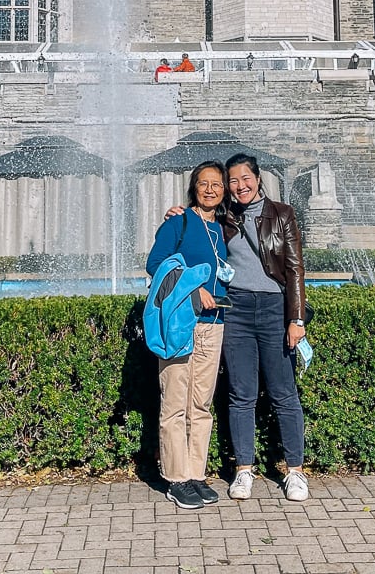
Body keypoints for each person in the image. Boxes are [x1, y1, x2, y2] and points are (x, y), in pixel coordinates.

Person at [165, 154, 310, 502]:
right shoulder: (226, 216)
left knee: (284, 393)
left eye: (246, 178)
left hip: (275, 307)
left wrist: (297, 319)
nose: (239, 185)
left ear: (259, 179)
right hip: (238, 309)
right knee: (241, 394)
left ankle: (295, 471)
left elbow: (295, 270)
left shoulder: (282, 214)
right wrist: (177, 213)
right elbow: (198, 223)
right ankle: (243, 470)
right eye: (233, 180)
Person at [145, 160, 230, 511]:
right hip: (181, 322)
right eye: (203, 183)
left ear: (224, 190)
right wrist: (193, 293)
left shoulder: (224, 228)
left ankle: (196, 474)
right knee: (175, 403)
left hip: (214, 324)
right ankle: (176, 479)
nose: (210, 189)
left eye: (216, 184)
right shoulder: (179, 222)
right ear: (193, 187)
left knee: (201, 404)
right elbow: (156, 265)